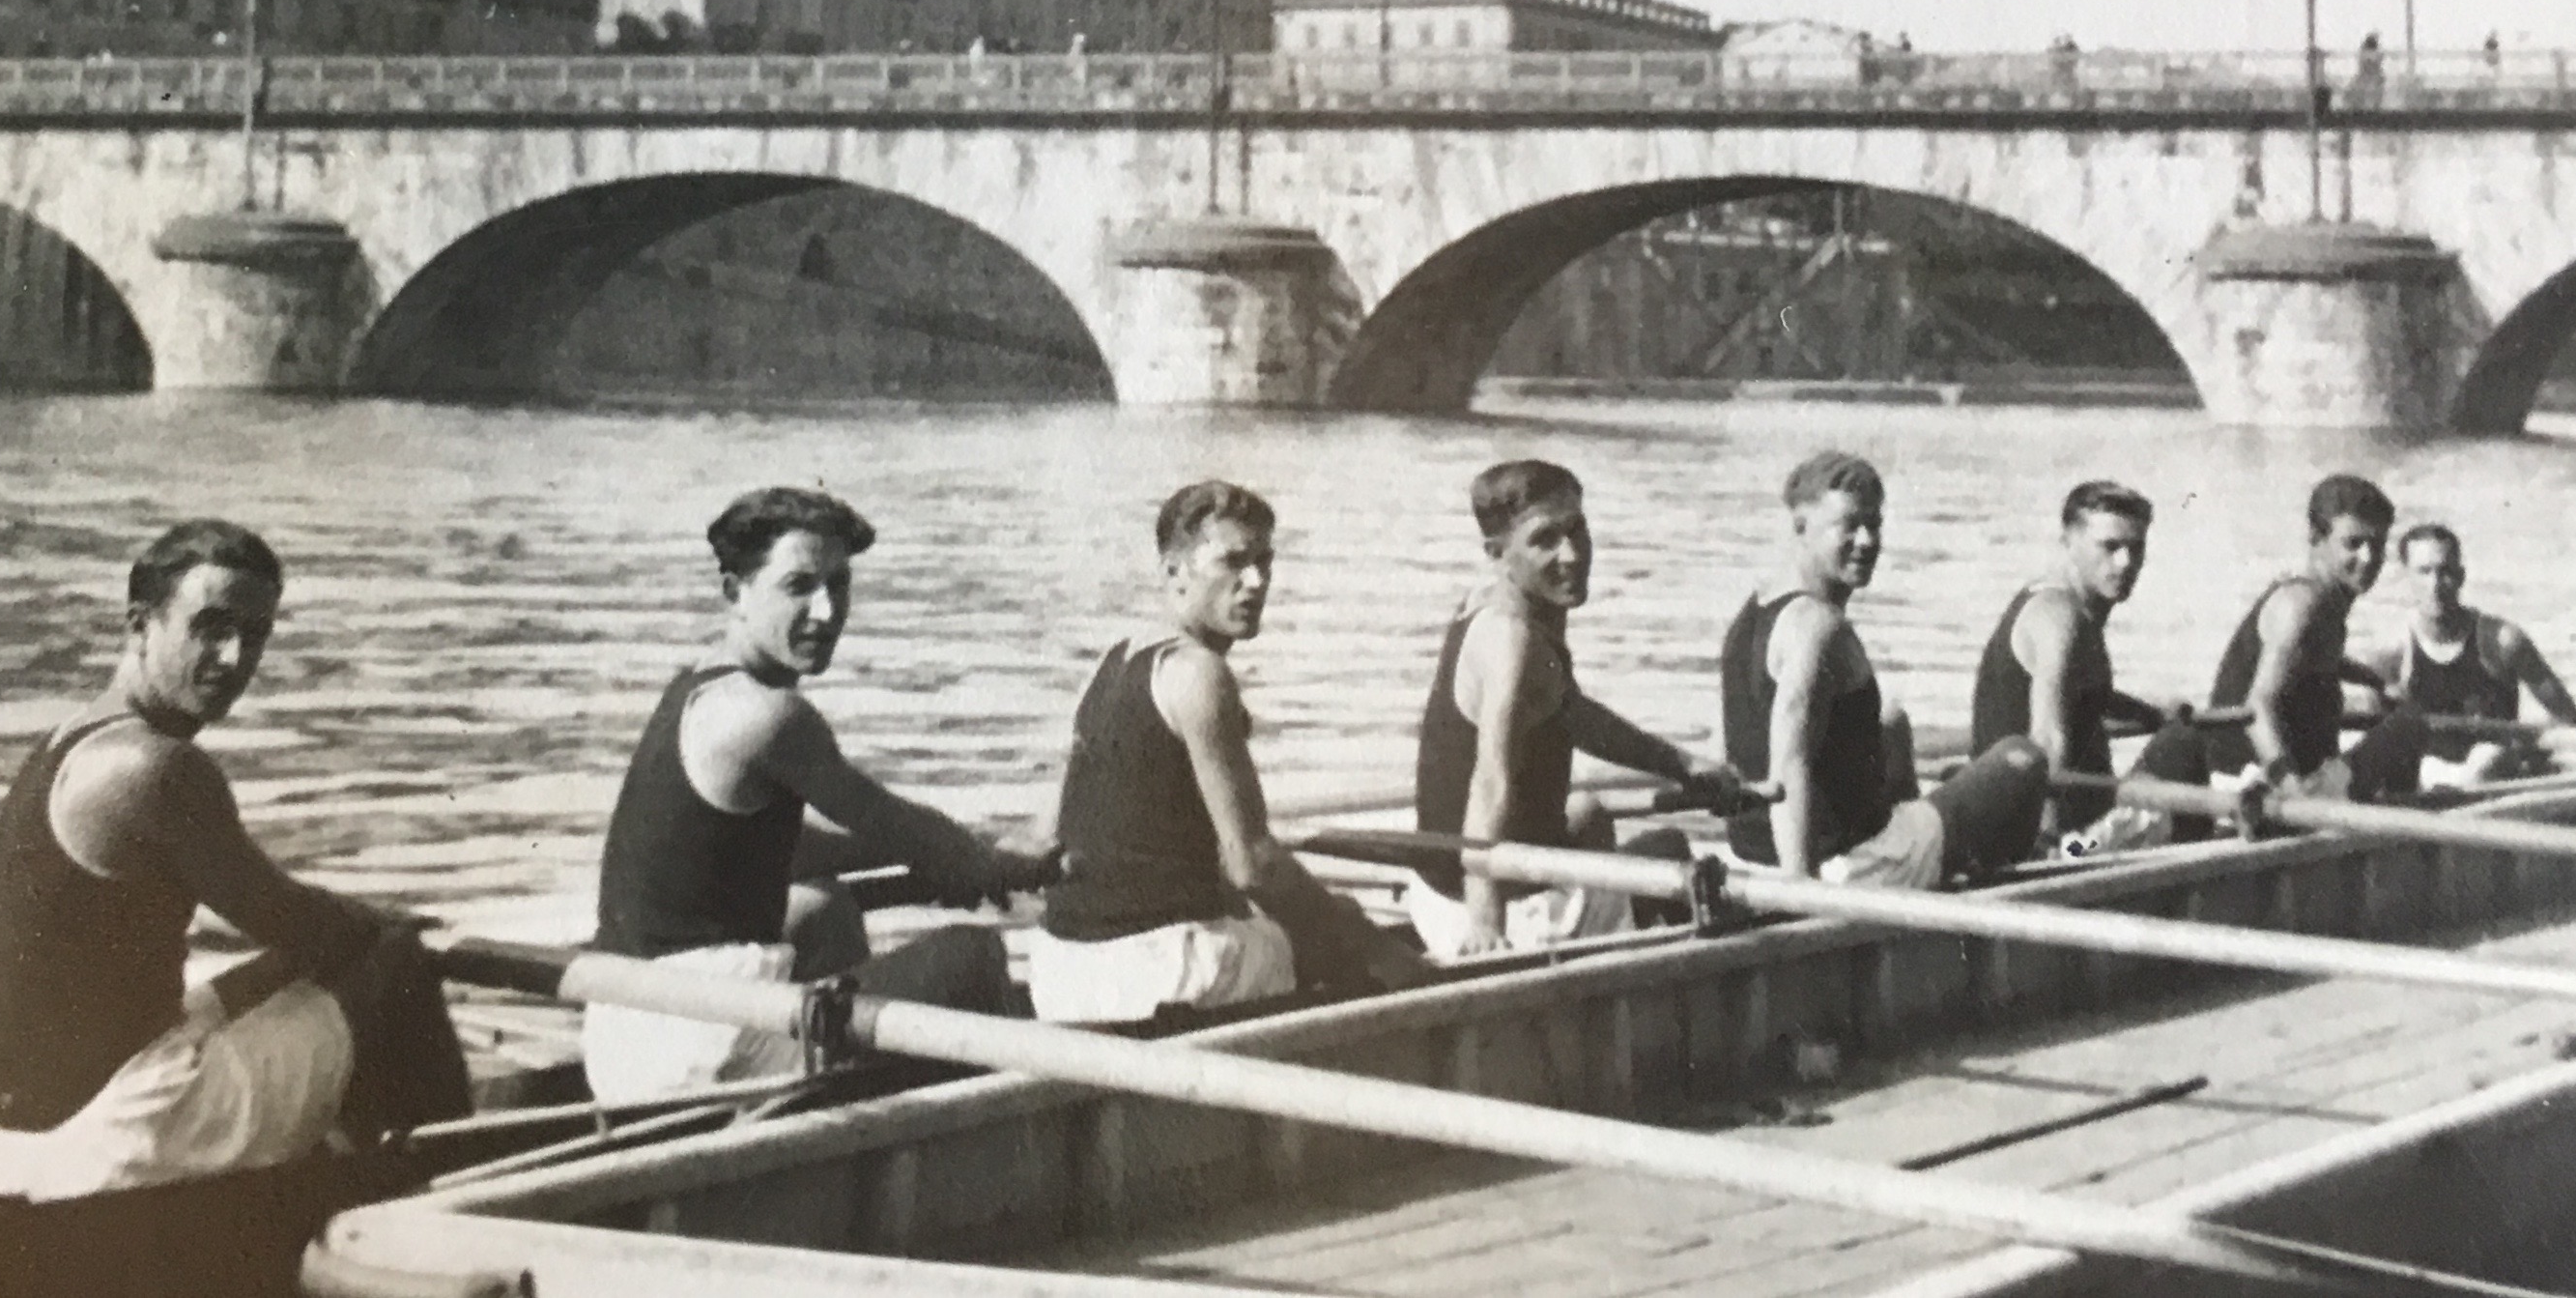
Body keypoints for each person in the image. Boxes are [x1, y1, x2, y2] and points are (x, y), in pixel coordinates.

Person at [0, 519, 468, 1203]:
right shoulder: (156, 767)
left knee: (296, 970)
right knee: (397, 966)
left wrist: (346, 934)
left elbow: (285, 931)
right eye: (211, 628)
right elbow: (302, 923)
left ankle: (330, 1176)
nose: (234, 658)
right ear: (140, 625)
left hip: (6, 1145)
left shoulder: (71, 739)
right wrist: (395, 929)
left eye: (254, 636)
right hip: (117, 1138)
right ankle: (454, 1196)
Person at [586, 488, 1045, 1101]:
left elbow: (791, 851)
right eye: (799, 586)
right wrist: (987, 862)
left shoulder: (697, 687)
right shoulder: (770, 716)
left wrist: (949, 856)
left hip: (622, 1041)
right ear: (735, 592)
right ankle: (992, 1129)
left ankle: (838, 1088)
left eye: (839, 584)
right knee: (972, 955)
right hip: (702, 1048)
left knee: (822, 909)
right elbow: (900, 825)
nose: (827, 611)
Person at [1032, 482, 1427, 1024]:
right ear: (1174, 572)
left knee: (1298, 917)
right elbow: (1251, 863)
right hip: (1159, 975)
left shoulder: (1110, 661)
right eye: (1234, 562)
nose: (1257, 581)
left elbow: (1049, 832)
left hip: (1061, 971)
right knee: (1341, 938)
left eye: (1265, 561)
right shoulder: (1199, 674)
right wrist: (1375, 946)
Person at [1405, 461, 1739, 960]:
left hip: (1434, 891)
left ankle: (1612, 935)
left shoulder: (1486, 602)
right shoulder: (1513, 642)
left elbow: (1572, 712)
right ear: (1497, 553)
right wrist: (1486, 920)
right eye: (1545, 540)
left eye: (1577, 529)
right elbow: (1490, 781)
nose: (1573, 554)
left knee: (1589, 814)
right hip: (1488, 913)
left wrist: (1683, 765)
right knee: (1670, 851)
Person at [1721, 452, 2048, 884]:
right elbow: (1790, 761)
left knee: (1891, 724)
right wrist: (1799, 889)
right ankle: (2020, 878)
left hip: (1749, 855)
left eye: (1874, 524)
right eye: (1849, 525)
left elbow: (1743, 743)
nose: (1867, 541)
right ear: (1801, 527)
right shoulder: (1816, 625)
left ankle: (1938, 862)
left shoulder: (1754, 610)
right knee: (2022, 759)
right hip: (1846, 868)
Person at [1970, 479, 2214, 851]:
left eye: (2136, 548)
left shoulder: (2063, 606)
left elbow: (2085, 693)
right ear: (2068, 542)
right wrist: (2047, 844)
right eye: (2110, 547)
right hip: (2052, 840)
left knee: (2176, 736)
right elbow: (2047, 737)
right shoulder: (2059, 619)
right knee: (2184, 744)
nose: (2126, 563)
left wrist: (2149, 713)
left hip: (2023, 817)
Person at [2206, 476, 2433, 803]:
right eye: (2353, 544)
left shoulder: (2320, 602)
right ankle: (2400, 824)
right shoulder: (2301, 605)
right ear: (2315, 538)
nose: (2368, 558)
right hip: (2258, 787)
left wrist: (2374, 681)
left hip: (2266, 775)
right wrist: (2291, 789)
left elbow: (2315, 658)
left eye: (2377, 545)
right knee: (2409, 725)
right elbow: (2258, 705)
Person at [2376, 523, 2576, 784]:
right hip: (2425, 778)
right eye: (2424, 572)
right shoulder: (2392, 652)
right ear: (2406, 578)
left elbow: (2569, 721)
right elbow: (2374, 737)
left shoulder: (2502, 641)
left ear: (2461, 576)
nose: (2435, 585)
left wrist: (2535, 749)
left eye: (2445, 572)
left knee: (2485, 758)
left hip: (2493, 776)